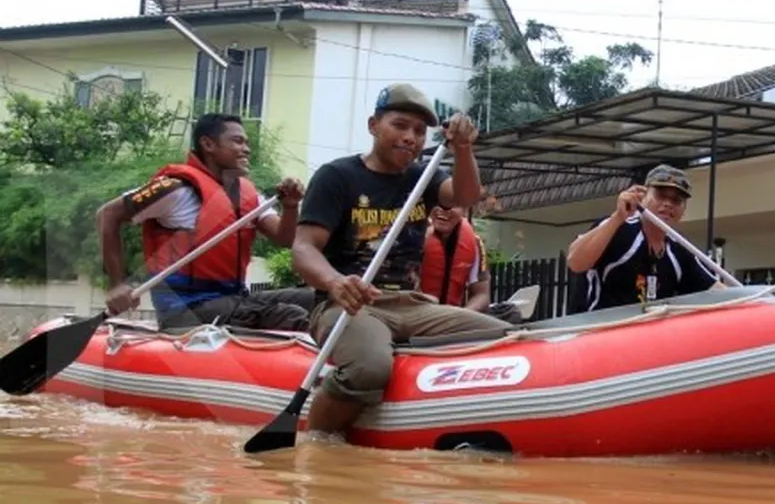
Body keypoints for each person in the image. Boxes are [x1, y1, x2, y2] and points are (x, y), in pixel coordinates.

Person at [291, 83, 510, 436]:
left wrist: (464, 148)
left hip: (413, 305)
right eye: (400, 125)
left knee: (501, 334)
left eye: (420, 131)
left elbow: (467, 196)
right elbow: (303, 248)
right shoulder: (337, 176)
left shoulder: (422, 176)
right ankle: (318, 442)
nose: (410, 137)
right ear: (373, 125)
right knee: (369, 367)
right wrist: (335, 282)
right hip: (350, 304)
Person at [96, 113, 313, 331]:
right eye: (237, 141)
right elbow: (107, 215)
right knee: (289, 315)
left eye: (246, 143)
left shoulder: (250, 195)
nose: (246, 149)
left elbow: (285, 239)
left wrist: (291, 206)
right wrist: (117, 284)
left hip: (233, 300)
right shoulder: (175, 189)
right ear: (208, 144)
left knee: (317, 299)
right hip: (187, 310)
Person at [566, 164, 726, 312]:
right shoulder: (618, 227)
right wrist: (617, 217)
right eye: (661, 195)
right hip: (598, 331)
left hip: (646, 336)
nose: (668, 204)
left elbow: (715, 289)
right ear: (642, 195)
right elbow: (575, 262)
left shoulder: (679, 250)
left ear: (684, 209)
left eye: (676, 200)